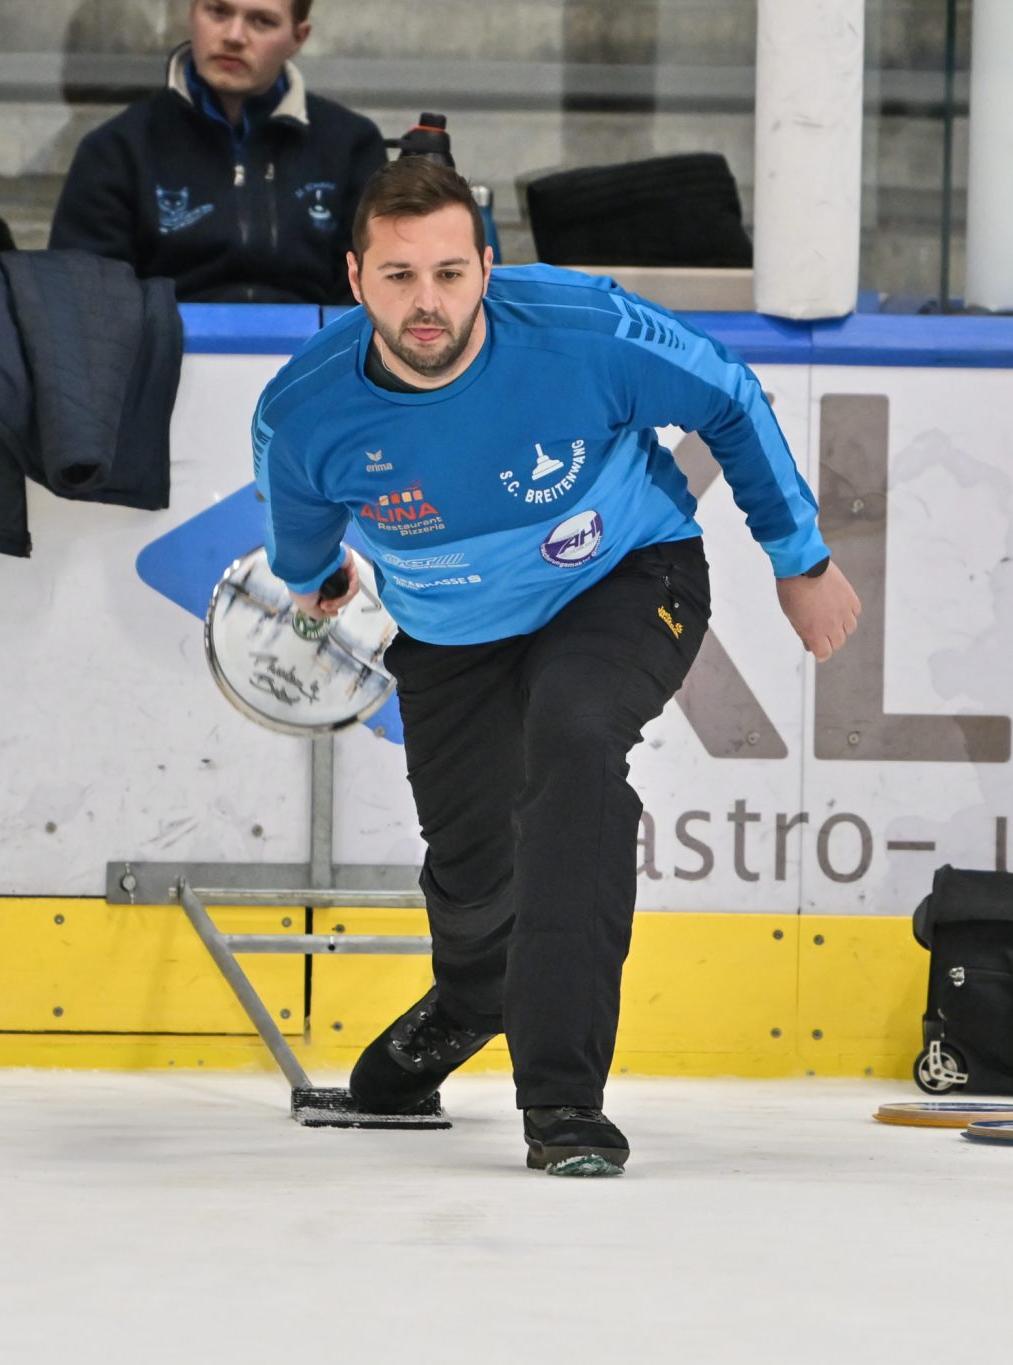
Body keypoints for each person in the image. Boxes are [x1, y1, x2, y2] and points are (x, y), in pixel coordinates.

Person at [251, 158, 861, 1176]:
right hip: (449, 637)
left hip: (624, 579)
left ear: (487, 266)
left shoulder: (584, 329)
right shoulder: (303, 412)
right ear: (354, 278)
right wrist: (314, 582)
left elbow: (728, 394)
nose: (427, 303)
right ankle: (470, 998)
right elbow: (299, 541)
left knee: (573, 746)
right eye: (398, 278)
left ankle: (564, 1102)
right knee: (472, 872)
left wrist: (797, 557)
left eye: (449, 273)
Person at [49, 0, 386, 304]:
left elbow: (373, 301)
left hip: (315, 361)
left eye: (261, 21)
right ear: (192, 12)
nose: (234, 35)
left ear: (298, 38)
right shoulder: (116, 150)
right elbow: (85, 308)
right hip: (163, 359)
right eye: (219, 12)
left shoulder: (352, 145)